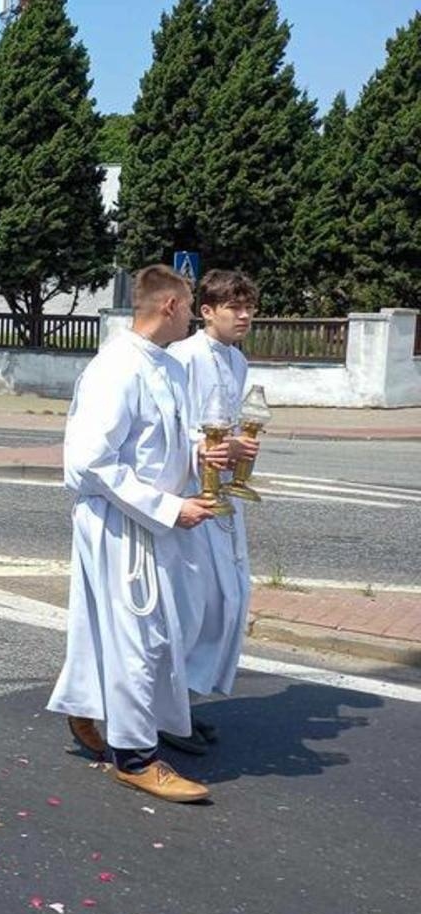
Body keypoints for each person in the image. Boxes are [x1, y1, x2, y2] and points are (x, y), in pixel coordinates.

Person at [45, 264, 228, 804]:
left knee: (154, 631)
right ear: (169, 305)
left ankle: (88, 702)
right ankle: (135, 757)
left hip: (157, 523)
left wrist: (203, 452)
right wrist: (169, 507)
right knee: (137, 639)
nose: (195, 315)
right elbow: (90, 463)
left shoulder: (165, 367)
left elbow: (165, 438)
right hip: (122, 525)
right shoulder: (115, 369)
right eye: (191, 304)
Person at [168, 269, 261, 746]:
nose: (244, 316)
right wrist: (197, 449)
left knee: (228, 598)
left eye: (249, 307)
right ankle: (165, 713)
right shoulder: (181, 358)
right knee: (194, 603)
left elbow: (229, 421)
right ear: (207, 311)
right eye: (235, 307)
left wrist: (241, 446)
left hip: (223, 494)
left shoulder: (237, 361)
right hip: (188, 494)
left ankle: (182, 700)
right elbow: (166, 424)